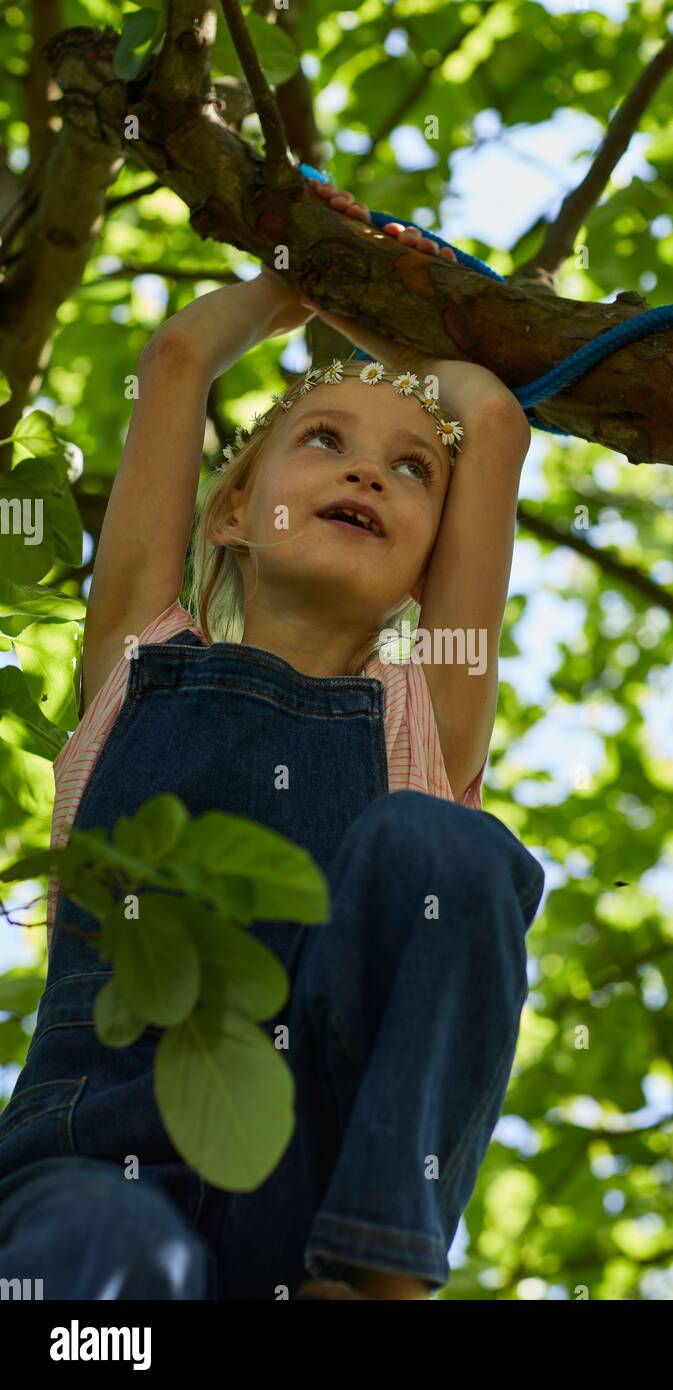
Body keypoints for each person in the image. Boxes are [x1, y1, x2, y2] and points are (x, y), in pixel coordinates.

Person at [0, 176, 546, 1301]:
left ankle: (379, 1279)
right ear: (233, 510)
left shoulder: (423, 720)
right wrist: (293, 278)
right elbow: (177, 364)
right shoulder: (137, 661)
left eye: (410, 470)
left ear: (422, 569)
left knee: (451, 851)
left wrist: (394, 313)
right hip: (95, 1161)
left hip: (306, 1213)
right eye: (324, 439)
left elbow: (489, 419)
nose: (365, 470)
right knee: (95, 1258)